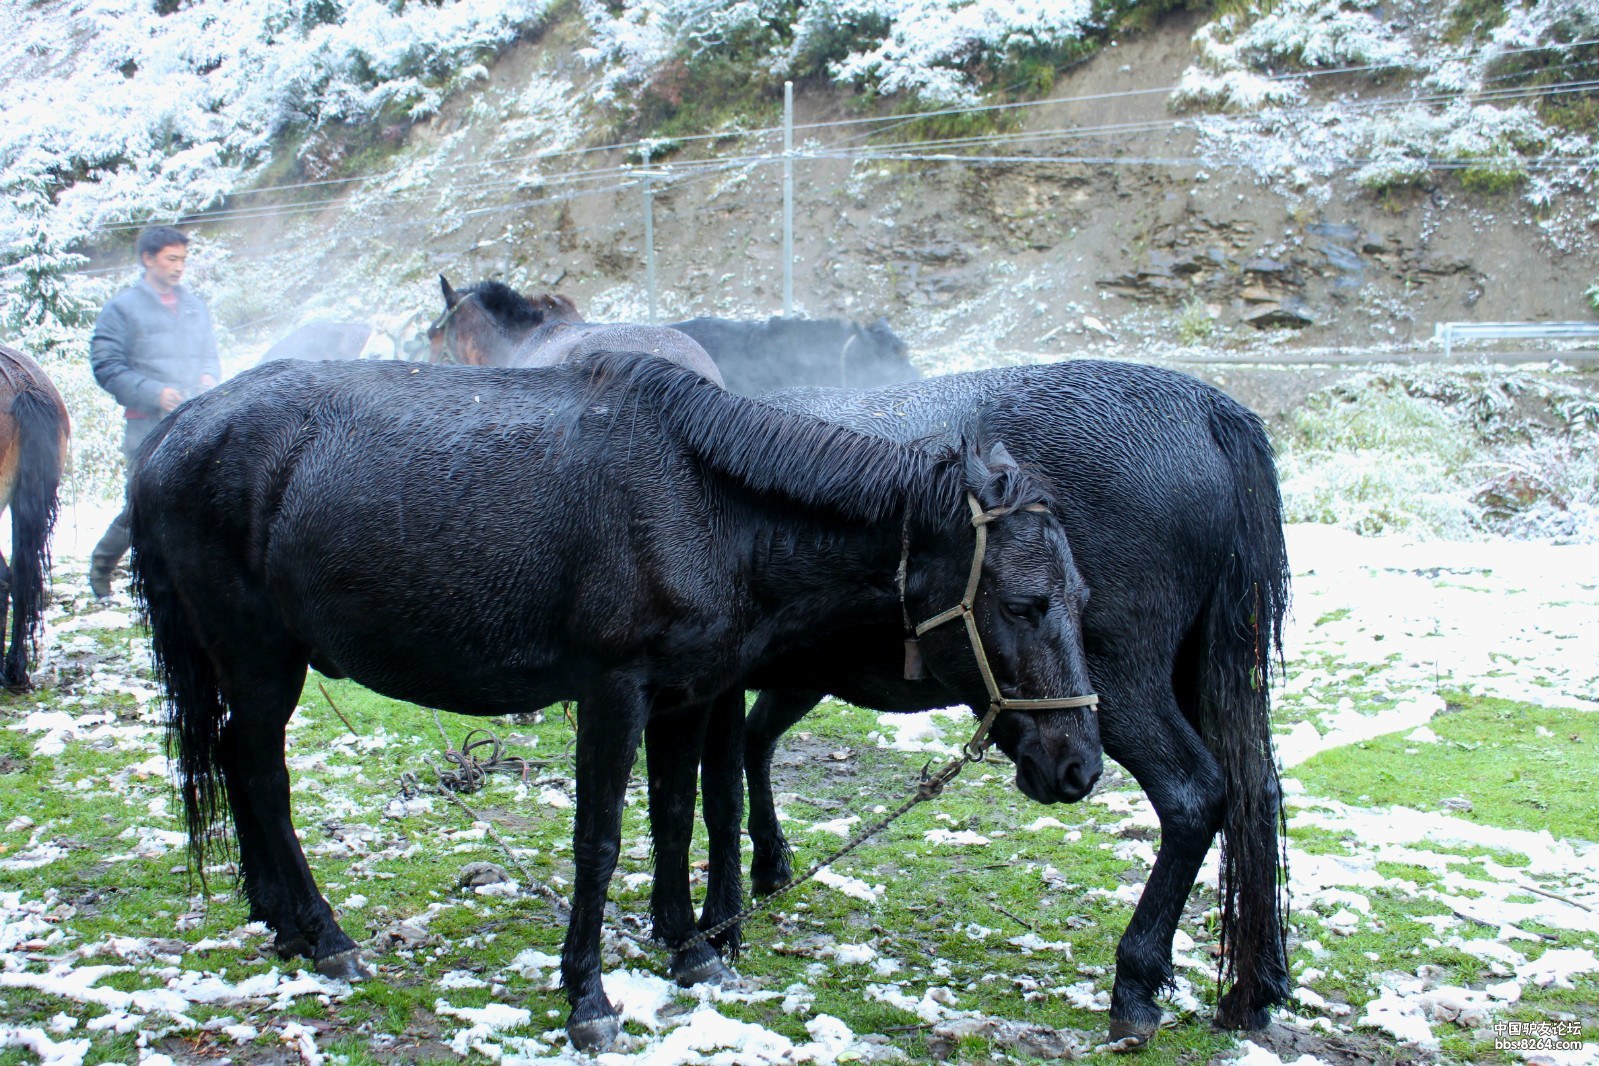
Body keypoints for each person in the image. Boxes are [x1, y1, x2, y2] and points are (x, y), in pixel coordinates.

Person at [88, 225, 220, 600]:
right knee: (145, 502)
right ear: (148, 259)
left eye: (183, 259)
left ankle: (185, 581)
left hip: (195, 418)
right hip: (145, 423)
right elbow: (106, 366)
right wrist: (154, 393)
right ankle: (102, 565)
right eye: (171, 259)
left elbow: (210, 354)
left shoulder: (194, 307)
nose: (179, 267)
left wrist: (210, 377)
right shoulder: (122, 309)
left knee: (199, 498)